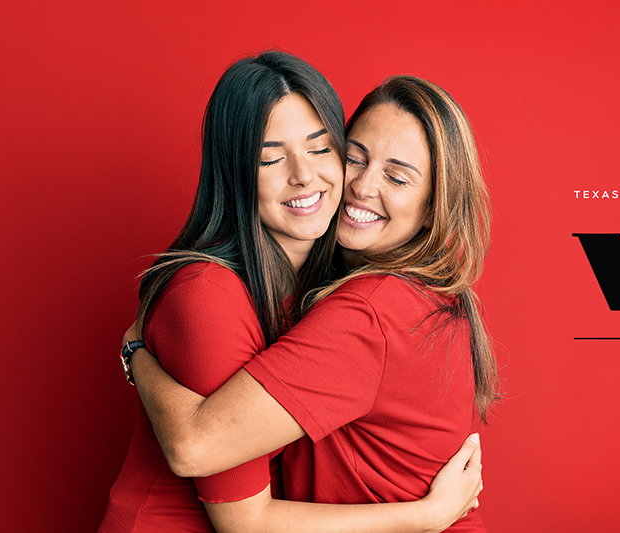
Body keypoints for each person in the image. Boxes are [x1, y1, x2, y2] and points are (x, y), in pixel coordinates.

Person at [100, 54, 481, 533]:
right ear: (237, 171)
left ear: (434, 207)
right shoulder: (212, 294)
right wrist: (423, 518)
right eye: (271, 157)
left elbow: (196, 445)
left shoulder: (354, 302)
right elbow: (235, 509)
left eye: (322, 150)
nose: (306, 175)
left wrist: (136, 352)